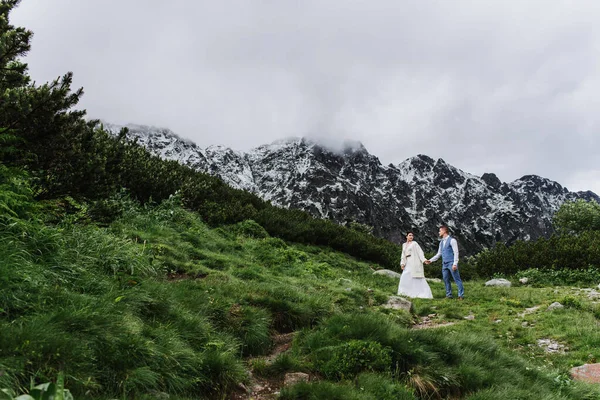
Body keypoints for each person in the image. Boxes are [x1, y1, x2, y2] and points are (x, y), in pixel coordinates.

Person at [425, 225, 464, 299]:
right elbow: (439, 254)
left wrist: (455, 264)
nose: (439, 232)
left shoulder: (452, 240)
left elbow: (456, 253)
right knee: (446, 279)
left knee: (457, 279)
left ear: (444, 231)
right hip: (444, 264)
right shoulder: (441, 242)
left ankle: (461, 295)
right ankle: (449, 295)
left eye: (440, 231)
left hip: (451, 263)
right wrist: (430, 260)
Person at [397, 232, 433, 299]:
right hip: (407, 262)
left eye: (412, 235)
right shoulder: (404, 245)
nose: (411, 237)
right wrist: (402, 263)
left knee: (416, 278)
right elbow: (403, 255)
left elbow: (420, 252)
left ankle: (423, 293)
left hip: (414, 262)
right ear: (406, 236)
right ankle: (404, 292)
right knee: (405, 276)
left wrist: (424, 260)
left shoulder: (414, 243)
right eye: (410, 235)